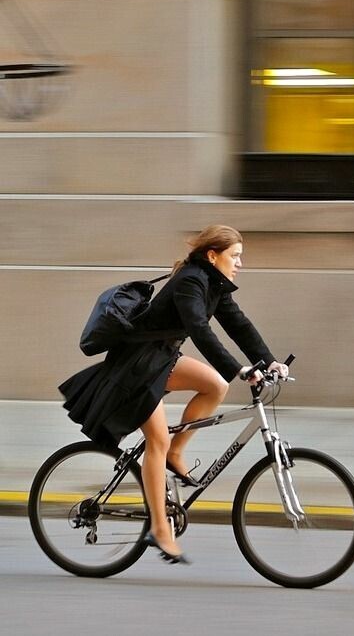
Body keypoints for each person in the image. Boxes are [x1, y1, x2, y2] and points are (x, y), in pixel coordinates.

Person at [59, 225, 288, 564]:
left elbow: (239, 325)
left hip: (162, 358)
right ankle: (159, 528)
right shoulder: (191, 282)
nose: (240, 263)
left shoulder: (214, 284)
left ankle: (176, 454)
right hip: (136, 368)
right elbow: (200, 329)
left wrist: (270, 361)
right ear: (213, 255)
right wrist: (241, 369)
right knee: (157, 441)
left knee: (216, 386)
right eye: (235, 256)